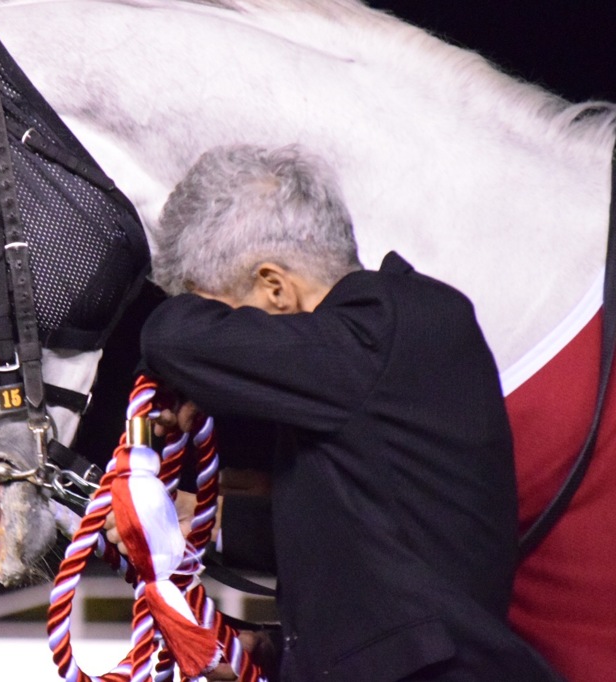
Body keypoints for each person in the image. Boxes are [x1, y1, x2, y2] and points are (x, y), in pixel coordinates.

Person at [109, 144, 561, 681]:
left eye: (220, 315)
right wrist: (212, 535)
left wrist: (179, 358)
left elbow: (173, 336)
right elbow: (374, 537)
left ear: (275, 288)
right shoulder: (368, 364)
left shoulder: (382, 329)